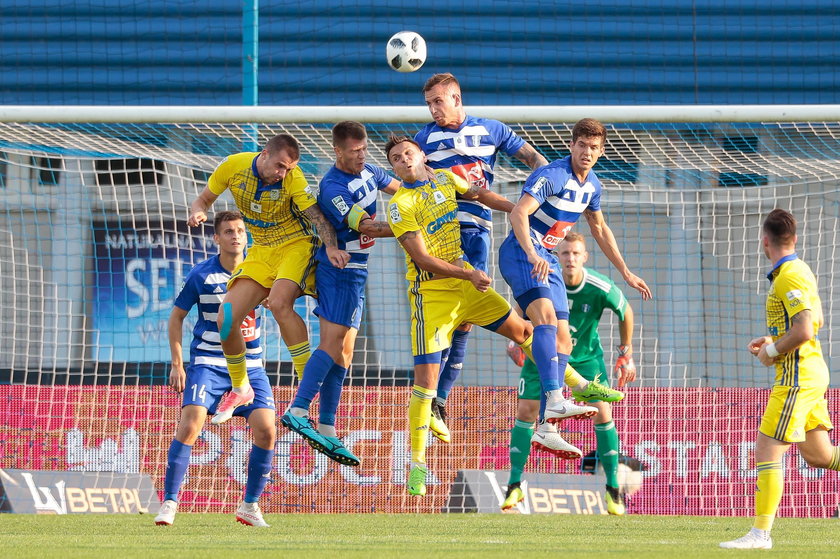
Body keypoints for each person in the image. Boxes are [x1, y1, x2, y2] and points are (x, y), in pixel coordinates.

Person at [384, 135, 598, 497]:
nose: (404, 160)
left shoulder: (444, 178)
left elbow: (481, 195)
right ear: (392, 167)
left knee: (526, 332)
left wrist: (518, 208)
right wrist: (467, 273)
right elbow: (421, 258)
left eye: (408, 153)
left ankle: (574, 386)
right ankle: (417, 464)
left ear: (421, 155)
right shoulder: (399, 204)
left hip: (467, 287)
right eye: (396, 158)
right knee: (425, 384)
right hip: (432, 296)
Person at [499, 117, 652, 480]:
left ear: (601, 152)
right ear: (572, 146)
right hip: (522, 254)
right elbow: (519, 214)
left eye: (594, 148)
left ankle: (549, 428)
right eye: (581, 145)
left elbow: (599, 228)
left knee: (564, 337)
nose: (587, 152)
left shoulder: (593, 186)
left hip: (545, 257)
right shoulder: (551, 175)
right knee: (547, 321)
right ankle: (554, 402)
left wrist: (626, 271)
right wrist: (534, 254)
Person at [415, 73, 549, 443]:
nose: (433, 110)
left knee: (466, 321)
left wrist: (539, 196)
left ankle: (440, 398)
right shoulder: (424, 138)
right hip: (437, 232)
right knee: (442, 316)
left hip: (476, 231)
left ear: (457, 99)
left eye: (438, 101)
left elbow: (534, 159)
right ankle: (432, 401)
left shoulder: (491, 130)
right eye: (429, 104)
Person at [187, 134, 349, 424]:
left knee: (278, 303)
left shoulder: (293, 179)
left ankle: (309, 385)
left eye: (288, 168)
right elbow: (204, 199)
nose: (282, 173)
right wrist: (198, 211)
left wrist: (332, 246)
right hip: (261, 249)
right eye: (279, 166)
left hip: (296, 245)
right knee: (226, 317)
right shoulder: (233, 167)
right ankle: (241, 387)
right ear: (264, 154)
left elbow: (315, 217)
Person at [280, 121, 400, 466]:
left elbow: (401, 186)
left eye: (364, 149)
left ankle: (328, 426)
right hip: (341, 271)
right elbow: (366, 227)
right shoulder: (333, 186)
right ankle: (298, 409)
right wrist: (414, 225)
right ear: (338, 151)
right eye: (354, 151)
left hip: (356, 271)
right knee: (332, 345)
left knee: (344, 353)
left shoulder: (370, 170)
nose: (361, 155)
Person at [720, 209, 840, 550]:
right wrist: (773, 340)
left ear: (765, 241)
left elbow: (804, 329)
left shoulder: (789, 275)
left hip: (797, 376)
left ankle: (760, 535)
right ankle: (759, 534)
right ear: (795, 239)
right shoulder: (799, 270)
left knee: (767, 448)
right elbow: (815, 320)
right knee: (820, 456)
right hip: (811, 371)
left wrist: (773, 352)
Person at [501, 232, 637, 515]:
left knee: (602, 412)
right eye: (565, 253)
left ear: (584, 257)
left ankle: (612, 489)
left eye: (576, 253)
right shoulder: (546, 276)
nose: (570, 259)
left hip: (586, 359)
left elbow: (626, 311)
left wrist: (626, 353)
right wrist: (513, 342)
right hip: (545, 356)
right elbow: (520, 306)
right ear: (558, 256)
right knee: (526, 411)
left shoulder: (599, 286)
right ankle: (514, 485)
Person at [155, 211, 275, 528]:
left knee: (267, 429)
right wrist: (178, 364)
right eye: (228, 231)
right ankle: (169, 503)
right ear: (216, 238)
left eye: (239, 230)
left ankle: (249, 506)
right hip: (209, 360)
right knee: (191, 421)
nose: (236, 236)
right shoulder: (201, 275)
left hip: (250, 364)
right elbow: (176, 317)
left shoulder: (263, 271)